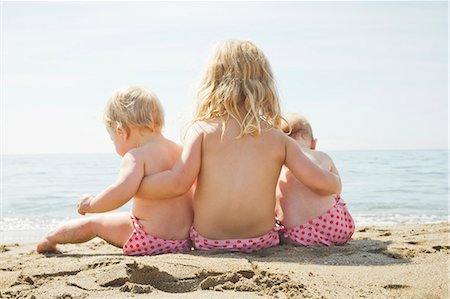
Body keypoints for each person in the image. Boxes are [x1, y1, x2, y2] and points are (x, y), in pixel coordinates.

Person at [138, 40, 341, 253]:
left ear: (212, 82)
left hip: (208, 241)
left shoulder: (201, 131)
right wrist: (335, 181)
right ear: (265, 85)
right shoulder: (279, 140)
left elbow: (178, 183)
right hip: (260, 240)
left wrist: (138, 186)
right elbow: (319, 184)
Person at [36, 86, 193, 255]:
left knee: (94, 224)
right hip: (184, 241)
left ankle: (50, 239)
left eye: (113, 139)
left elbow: (121, 191)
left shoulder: (136, 156)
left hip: (148, 238)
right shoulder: (180, 150)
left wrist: (92, 204)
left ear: (122, 131)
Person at [276, 113, 354, 246]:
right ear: (313, 143)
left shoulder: (277, 166)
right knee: (337, 199)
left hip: (296, 236)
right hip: (336, 228)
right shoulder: (321, 156)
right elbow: (337, 190)